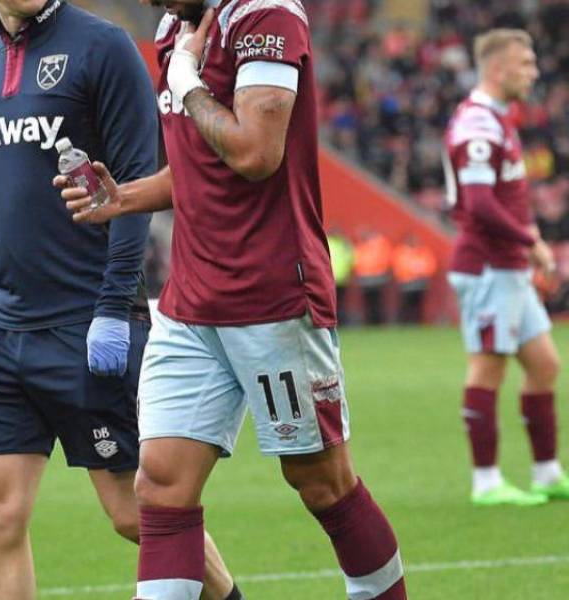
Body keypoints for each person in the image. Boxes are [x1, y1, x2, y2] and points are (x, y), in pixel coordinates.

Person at [58, 1, 407, 598]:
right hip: (190, 302)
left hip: (270, 299)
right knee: (160, 485)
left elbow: (253, 153)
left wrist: (187, 83)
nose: (151, 4)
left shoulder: (266, 16)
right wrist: (125, 198)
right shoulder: (176, 28)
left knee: (321, 482)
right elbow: (199, 165)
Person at [0, 2, 240, 599]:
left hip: (86, 320)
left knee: (135, 514)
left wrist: (114, 306)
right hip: (2, 325)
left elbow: (133, 180)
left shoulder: (104, 47)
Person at [443, 28, 568, 506]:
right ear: (497, 69)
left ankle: (546, 471)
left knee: (544, 364)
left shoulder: (497, 120)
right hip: (488, 267)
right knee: (487, 368)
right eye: (525, 64)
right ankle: (487, 481)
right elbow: (478, 205)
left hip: (509, 268)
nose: (533, 72)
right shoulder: (477, 126)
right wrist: (531, 240)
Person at [391, 235, 437, 324]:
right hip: (406, 283)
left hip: (420, 283)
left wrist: (421, 271)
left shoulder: (423, 251)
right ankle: (405, 322)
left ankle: (417, 322)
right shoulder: (401, 252)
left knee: (418, 305)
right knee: (406, 305)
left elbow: (430, 265)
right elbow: (398, 266)